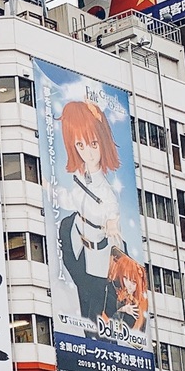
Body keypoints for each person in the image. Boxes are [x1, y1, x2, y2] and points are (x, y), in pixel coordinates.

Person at [55, 93, 126, 322]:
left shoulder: (105, 190)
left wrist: (112, 223)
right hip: (75, 244)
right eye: (80, 144)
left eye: (93, 144)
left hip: (97, 253)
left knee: (93, 309)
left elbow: (112, 210)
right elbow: (72, 201)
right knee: (83, 299)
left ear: (103, 143)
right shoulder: (79, 175)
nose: (88, 151)